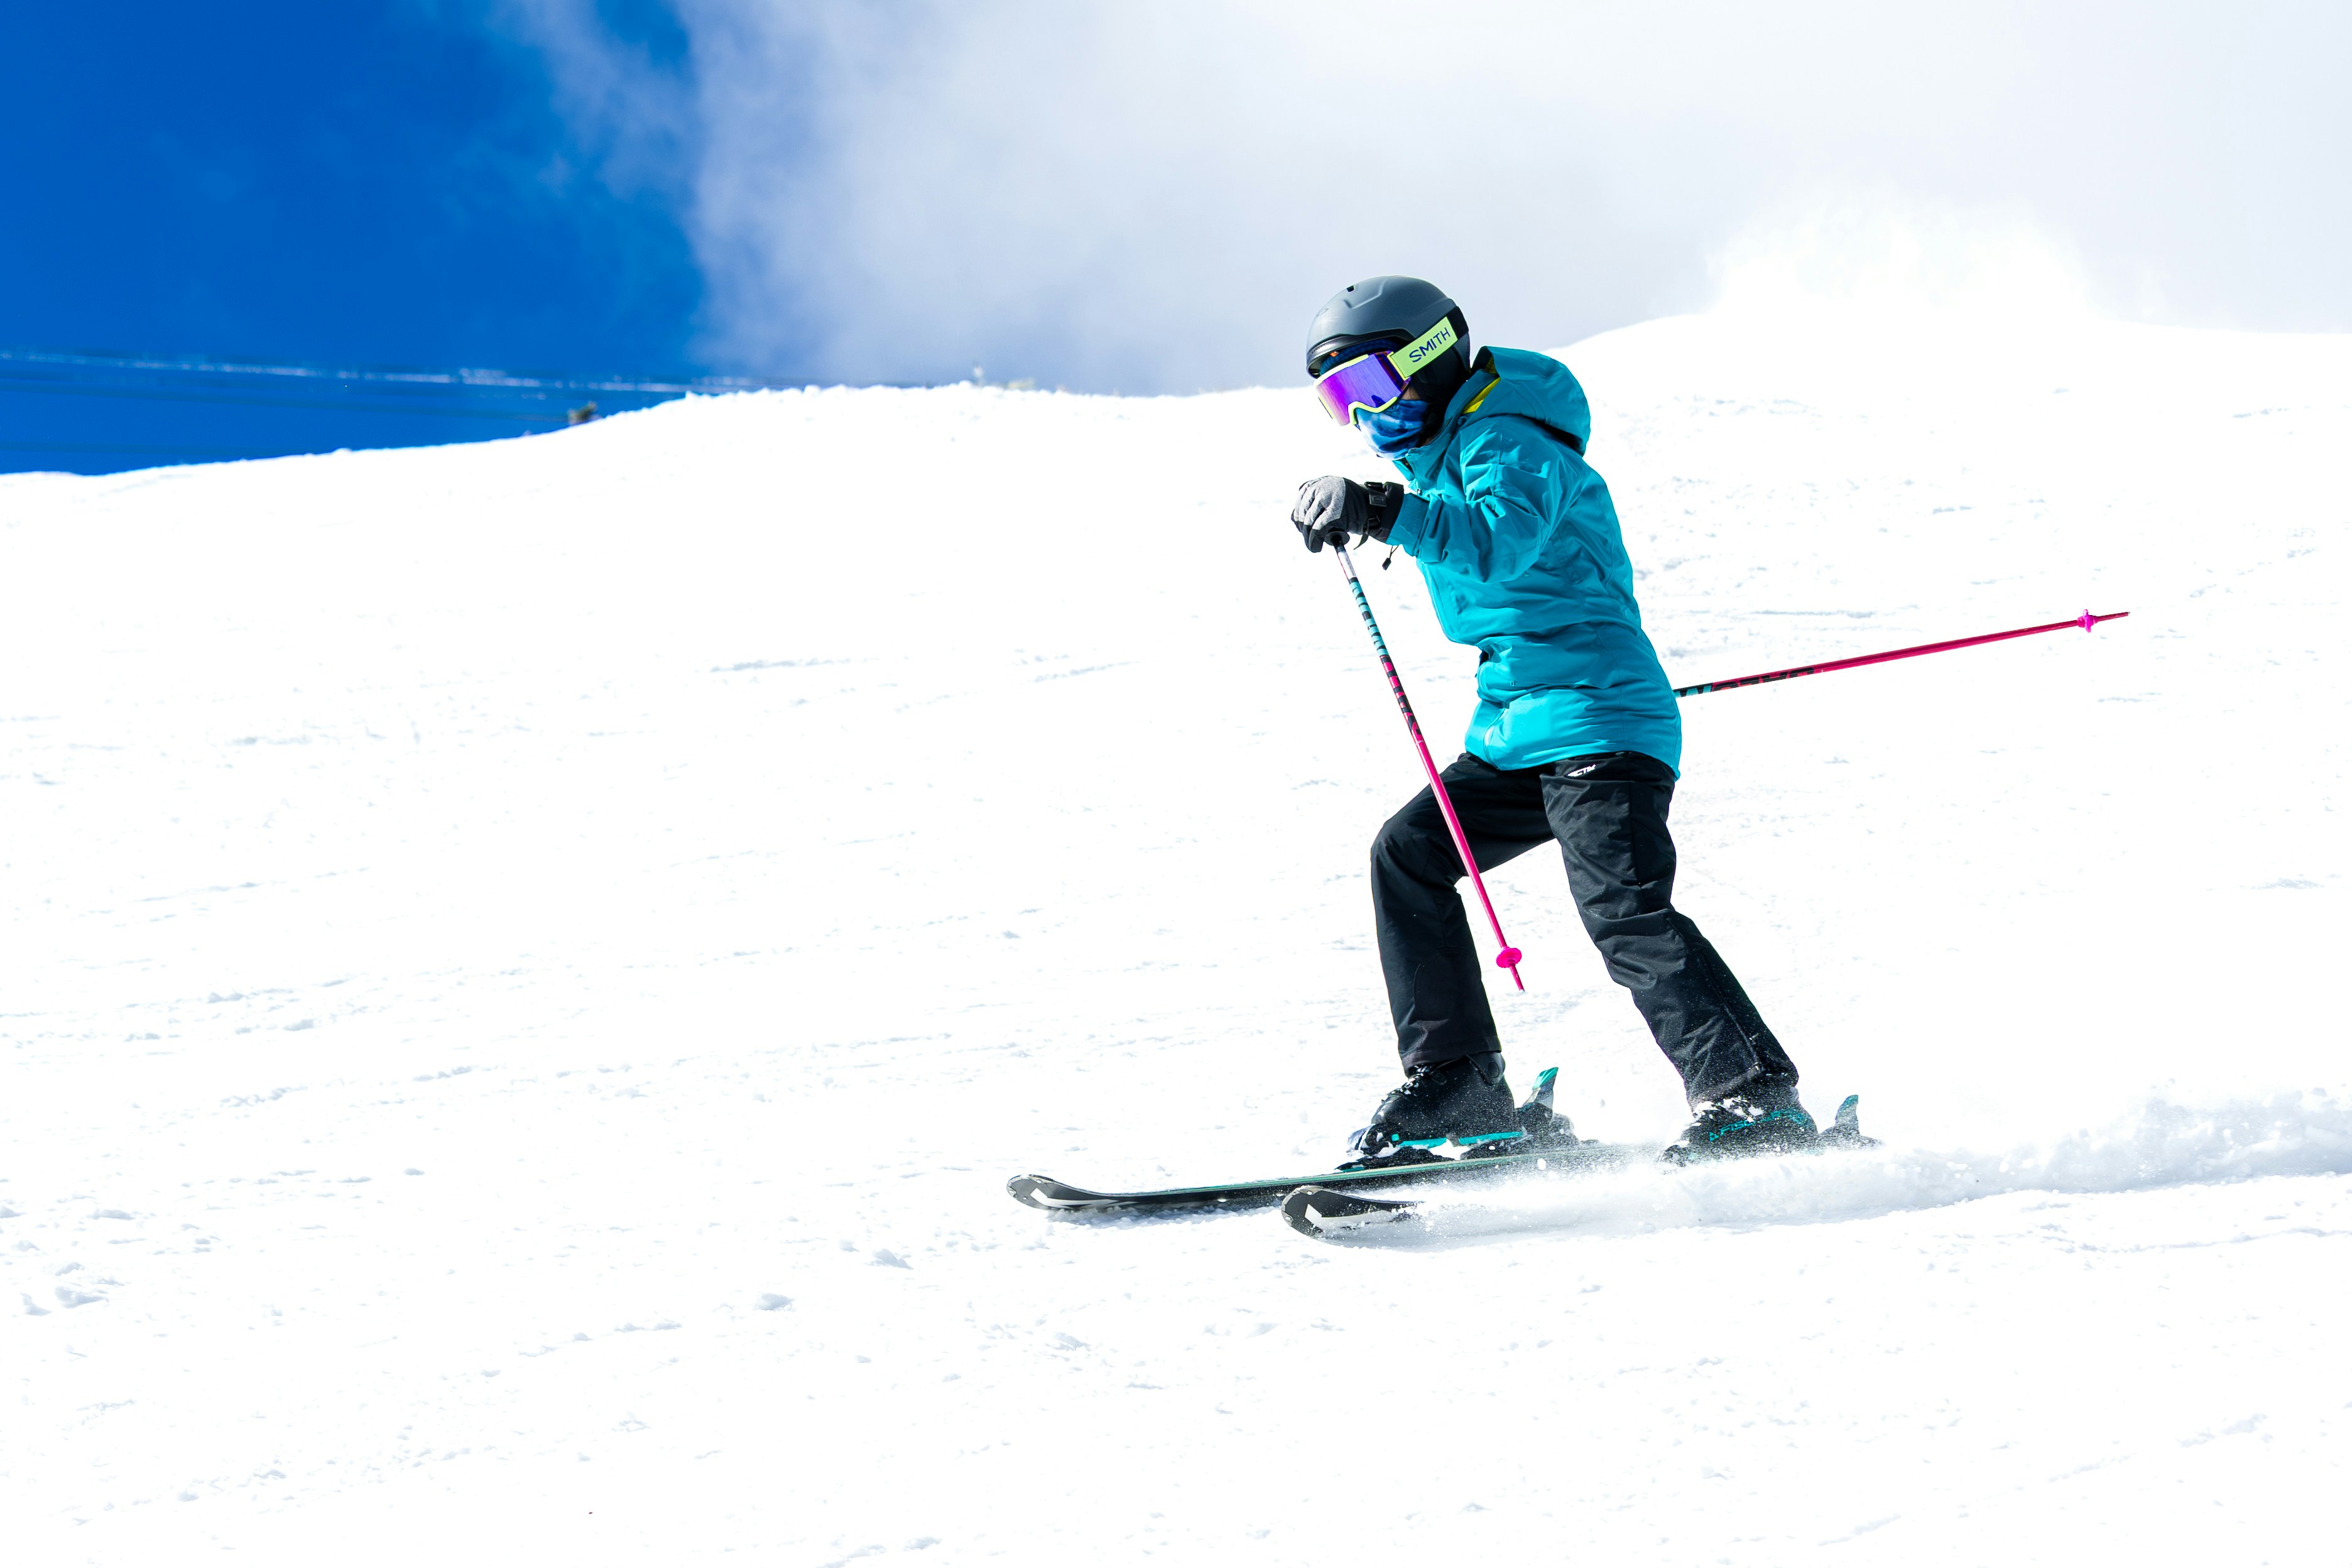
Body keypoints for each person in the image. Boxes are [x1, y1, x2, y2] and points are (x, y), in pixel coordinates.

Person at [1290, 276, 1814, 1162]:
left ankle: (1754, 1099)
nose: (1360, 416)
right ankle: (1460, 1085)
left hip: (1601, 724)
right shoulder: (1444, 457)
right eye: (1338, 400)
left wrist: (1379, 507)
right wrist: (1382, 505)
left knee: (1624, 912)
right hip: (1517, 730)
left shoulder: (1510, 439)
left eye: (1368, 387)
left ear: (1428, 358)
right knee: (1408, 855)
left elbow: (1496, 544)